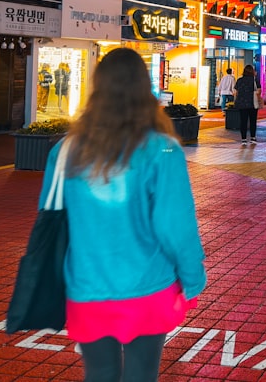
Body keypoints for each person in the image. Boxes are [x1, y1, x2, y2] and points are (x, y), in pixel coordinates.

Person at [37, 47, 205, 382]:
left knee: (99, 374)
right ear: (145, 90)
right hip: (148, 287)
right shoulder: (163, 149)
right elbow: (175, 225)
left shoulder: (65, 150)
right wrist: (192, 278)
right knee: (142, 375)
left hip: (87, 287)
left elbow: (51, 216)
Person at [233, 65, 261, 145]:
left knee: (243, 121)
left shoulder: (240, 80)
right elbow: (259, 92)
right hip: (252, 103)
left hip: (242, 103)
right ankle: (253, 137)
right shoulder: (254, 80)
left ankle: (244, 139)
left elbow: (236, 92)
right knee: (253, 121)